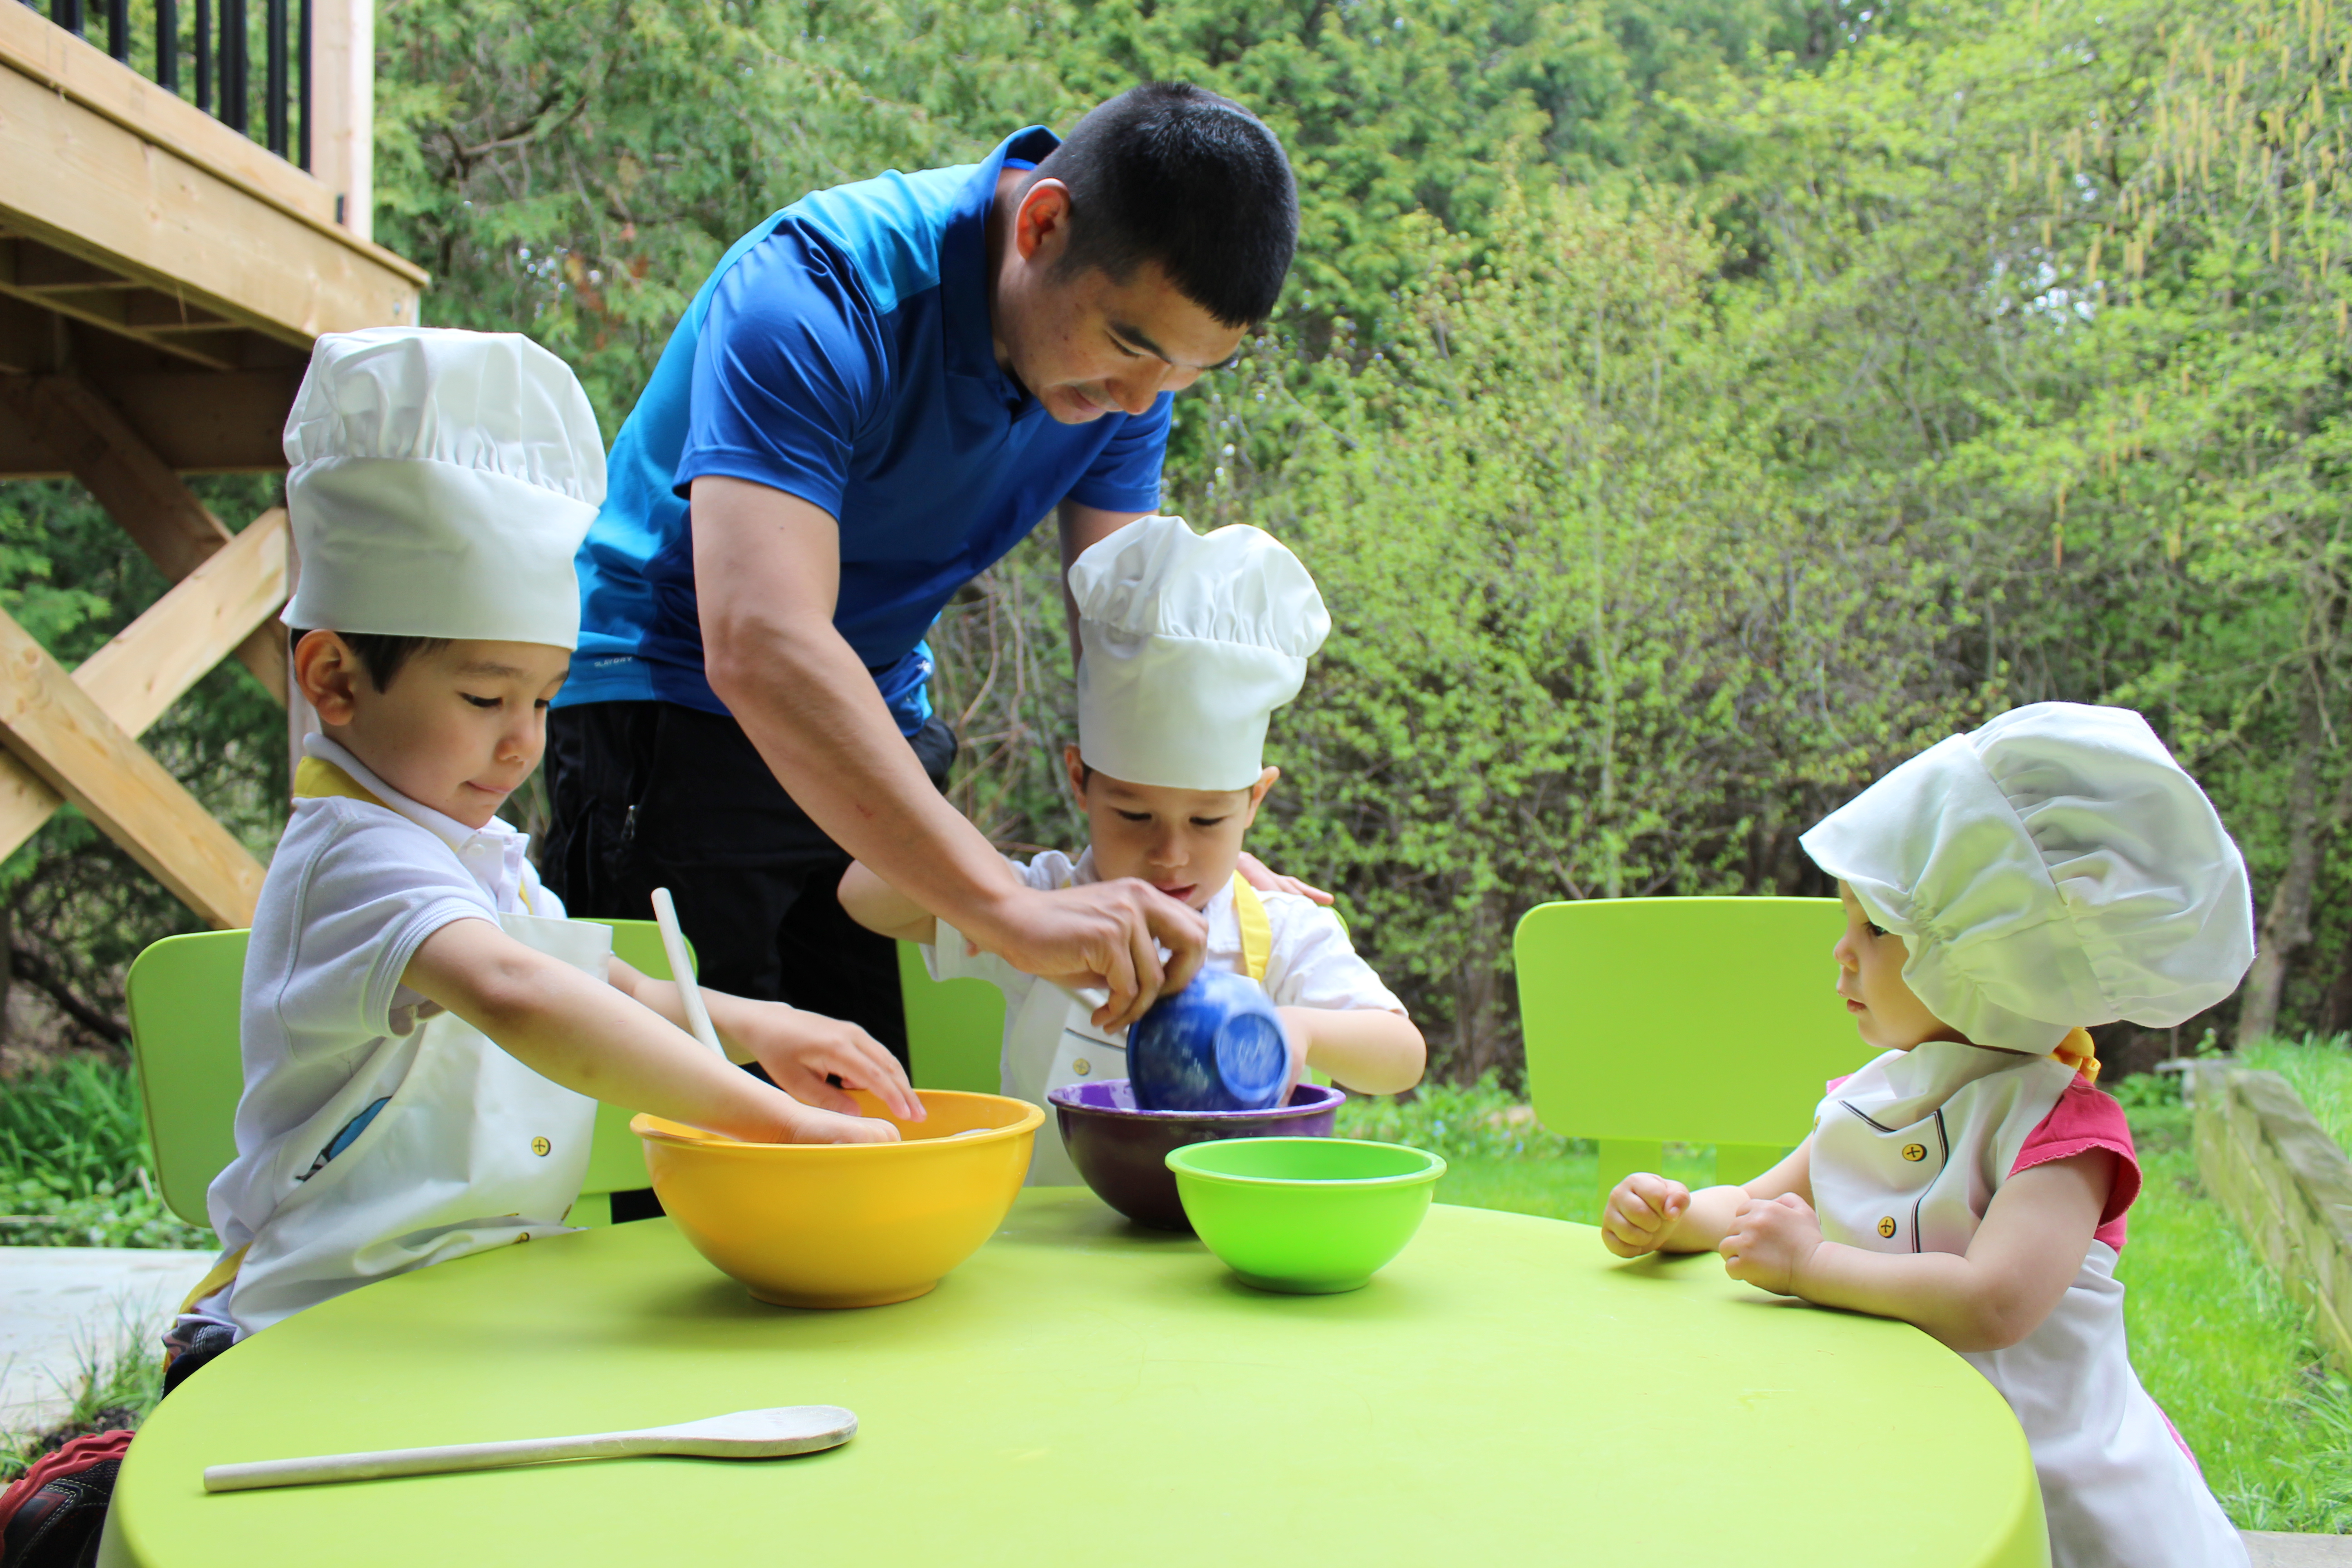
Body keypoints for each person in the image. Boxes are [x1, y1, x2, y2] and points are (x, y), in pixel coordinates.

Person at [542, 84, 1304, 1082]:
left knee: (876, 1118)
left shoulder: (1129, 387)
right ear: (1042, 224)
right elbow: (761, 642)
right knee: (685, 1134)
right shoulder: (815, 293)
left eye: (1184, 377)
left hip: (878, 710)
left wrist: (1188, 832)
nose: (1138, 403)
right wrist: (1004, 904)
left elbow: (1131, 630)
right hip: (670, 711)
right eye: (1130, 348)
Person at [185, 327, 916, 1345]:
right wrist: (768, 1123)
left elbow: (602, 984)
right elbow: (516, 992)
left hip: (469, 1308)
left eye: (546, 699)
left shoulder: (478, 854)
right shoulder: (355, 858)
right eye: (487, 696)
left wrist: (758, 1026)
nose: (525, 743)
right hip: (319, 1322)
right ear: (335, 681)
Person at [1599, 702, 2252, 1568]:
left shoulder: (2061, 1130)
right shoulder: (1868, 1099)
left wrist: (1810, 1267)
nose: (1840, 953)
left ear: (1990, 960)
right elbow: (1758, 1204)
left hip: (2051, 1491)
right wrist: (1675, 1214)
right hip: (1898, 1454)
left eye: (1877, 930)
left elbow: (1995, 1303)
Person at [840, 515, 1425, 1183]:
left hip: (1218, 1249)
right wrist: (1005, 911)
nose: (1170, 854)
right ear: (1080, 781)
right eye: (1136, 814)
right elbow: (863, 893)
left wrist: (1296, 1029)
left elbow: (1402, 1054)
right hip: (1054, 1245)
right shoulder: (1045, 903)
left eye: (1207, 822)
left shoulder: (1277, 927)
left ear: (1254, 801)